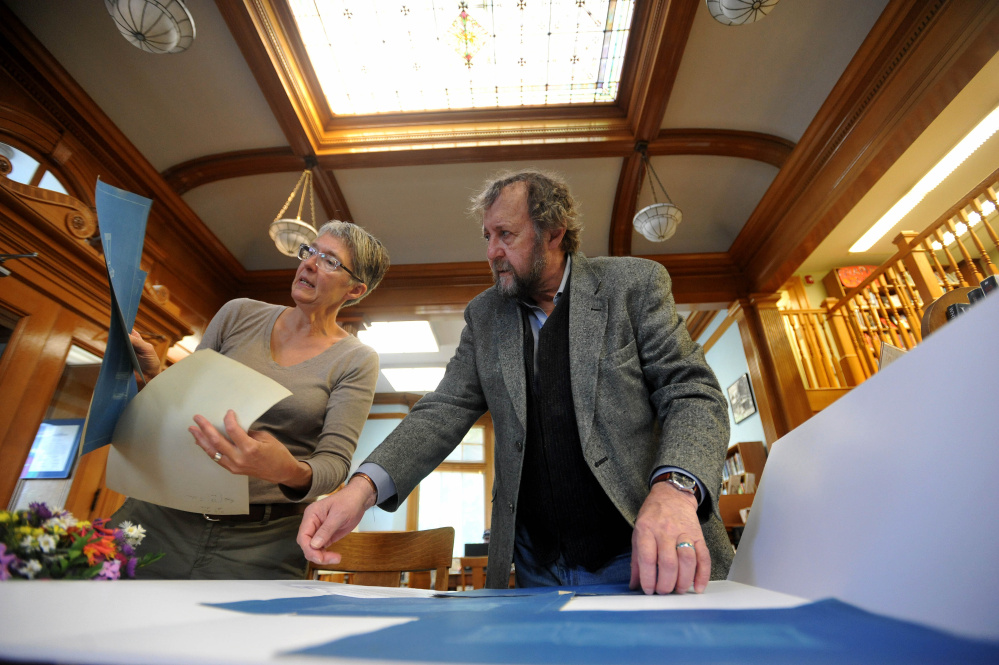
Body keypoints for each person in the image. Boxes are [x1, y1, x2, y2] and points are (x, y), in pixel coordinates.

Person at [298, 170, 732, 594]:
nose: (491, 251)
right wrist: (361, 489)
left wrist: (676, 490)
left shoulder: (631, 285)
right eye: (487, 236)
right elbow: (442, 410)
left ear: (554, 234)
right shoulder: (485, 316)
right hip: (535, 568)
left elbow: (691, 392)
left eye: (506, 234)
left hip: (642, 553)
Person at [113, 220, 390, 579]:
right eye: (310, 251)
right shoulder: (237, 314)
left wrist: (286, 469)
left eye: (330, 261)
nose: (309, 263)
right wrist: (154, 377)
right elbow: (187, 406)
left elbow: (334, 463)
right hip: (163, 511)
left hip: (261, 540)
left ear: (354, 290)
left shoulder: (355, 359)